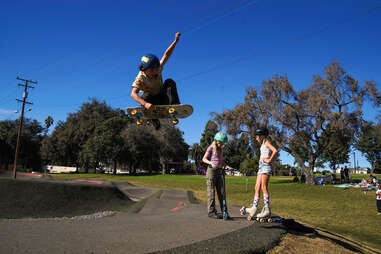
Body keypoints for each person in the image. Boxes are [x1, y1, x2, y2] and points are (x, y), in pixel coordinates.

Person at [130, 32, 181, 130]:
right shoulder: (140, 77)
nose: (155, 72)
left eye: (156, 69)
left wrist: (175, 41)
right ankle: (154, 119)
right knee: (145, 96)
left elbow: (166, 55)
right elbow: (133, 94)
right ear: (144, 69)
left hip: (164, 98)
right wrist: (145, 104)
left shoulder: (158, 68)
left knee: (169, 81)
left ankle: (174, 106)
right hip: (152, 104)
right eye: (152, 70)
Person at [240, 127, 278, 221]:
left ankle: (267, 208)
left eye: (257, 136)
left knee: (263, 187)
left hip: (265, 166)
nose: (256, 138)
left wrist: (269, 160)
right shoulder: (262, 144)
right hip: (261, 167)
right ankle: (254, 207)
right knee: (256, 187)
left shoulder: (266, 142)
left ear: (262, 136)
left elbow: (275, 150)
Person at [202, 132, 233, 220]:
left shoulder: (220, 149)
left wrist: (226, 166)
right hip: (211, 171)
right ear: (216, 140)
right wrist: (211, 163)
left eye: (223, 142)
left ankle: (224, 212)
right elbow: (204, 159)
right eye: (220, 142)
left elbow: (221, 161)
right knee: (211, 192)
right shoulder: (211, 148)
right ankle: (211, 212)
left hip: (220, 171)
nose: (222, 144)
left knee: (222, 192)